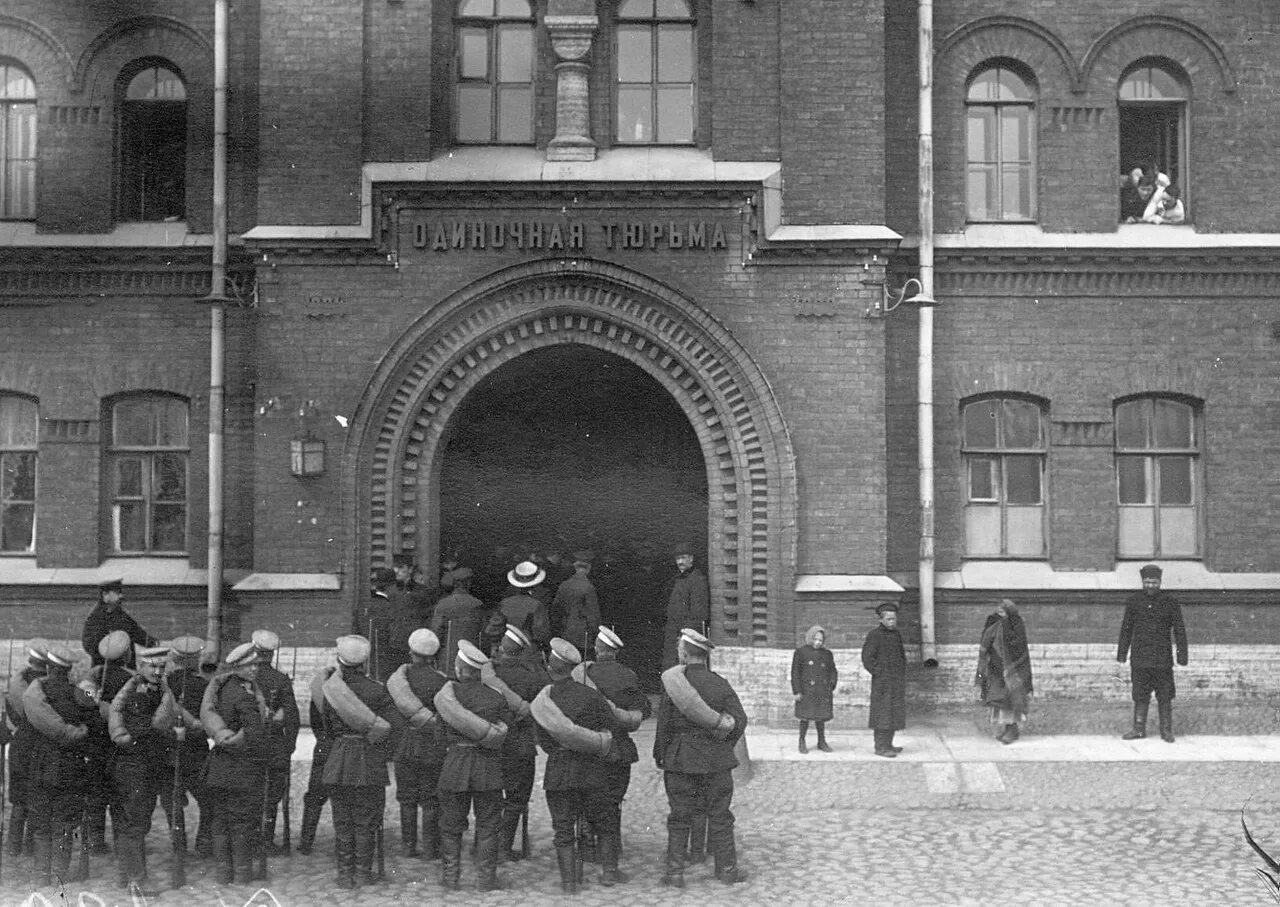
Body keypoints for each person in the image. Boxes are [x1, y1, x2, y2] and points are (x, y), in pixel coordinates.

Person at [653, 627, 749, 888]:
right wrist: (724, 744)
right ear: (705, 655)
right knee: (720, 815)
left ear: (684, 653)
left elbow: (664, 726)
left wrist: (661, 755)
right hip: (716, 761)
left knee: (679, 816)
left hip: (680, 760)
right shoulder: (720, 683)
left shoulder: (674, 685)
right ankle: (727, 870)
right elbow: (740, 720)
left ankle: (674, 874)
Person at [531, 638, 622, 893]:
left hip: (559, 770)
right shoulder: (591, 696)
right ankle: (608, 873)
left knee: (563, 829)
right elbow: (611, 727)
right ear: (572, 668)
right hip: (592, 770)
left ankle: (569, 883)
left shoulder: (544, 701)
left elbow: (544, 741)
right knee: (603, 822)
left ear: (550, 666)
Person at [317, 634, 404, 889]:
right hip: (369, 759)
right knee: (367, 821)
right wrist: (382, 753)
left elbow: (327, 729)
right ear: (365, 663)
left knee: (342, 820)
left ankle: (345, 874)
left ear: (340, 662)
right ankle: (364, 873)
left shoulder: (331, 691)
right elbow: (396, 727)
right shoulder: (377, 690)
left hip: (339, 759)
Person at [433, 639, 511, 891]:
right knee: (489, 825)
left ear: (459, 669)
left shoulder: (449, 697)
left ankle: (450, 878)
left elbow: (439, 738)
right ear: (479, 671)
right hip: (488, 769)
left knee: (450, 826)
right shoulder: (496, 698)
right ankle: (486, 880)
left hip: (455, 766)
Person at [571, 626, 650, 864]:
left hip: (589, 746)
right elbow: (643, 709)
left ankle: (586, 847)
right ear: (615, 652)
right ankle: (611, 848)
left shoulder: (584, 674)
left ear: (597, 649)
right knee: (613, 800)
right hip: (617, 748)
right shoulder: (628, 675)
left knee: (586, 799)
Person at [23, 646, 100, 888]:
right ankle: (58, 875)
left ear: (48, 667)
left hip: (41, 766)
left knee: (41, 824)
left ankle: (40, 876)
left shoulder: (36, 693)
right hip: (71, 767)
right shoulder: (80, 695)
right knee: (64, 824)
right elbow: (95, 727)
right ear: (69, 670)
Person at [109, 644, 179, 895]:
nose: (158, 671)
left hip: (140, 765)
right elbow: (143, 731)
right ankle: (137, 880)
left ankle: (124, 875)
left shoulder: (148, 690)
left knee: (133, 822)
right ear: (140, 666)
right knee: (135, 824)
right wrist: (169, 733)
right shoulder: (139, 695)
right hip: (135, 767)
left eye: (162, 667)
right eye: (153, 666)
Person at [200, 641, 269, 885]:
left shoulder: (222, 688)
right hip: (242, 770)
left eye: (256, 665)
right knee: (241, 823)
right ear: (238, 667)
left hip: (219, 768)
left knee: (220, 821)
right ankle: (241, 874)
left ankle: (223, 873)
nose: (255, 670)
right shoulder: (245, 697)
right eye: (250, 666)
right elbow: (255, 734)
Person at [485, 624, 550, 863]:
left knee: (490, 799)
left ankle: (487, 845)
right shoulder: (531, 676)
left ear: (501, 649)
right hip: (520, 745)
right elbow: (546, 696)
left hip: (491, 745)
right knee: (516, 799)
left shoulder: (489, 675)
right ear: (522, 652)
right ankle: (504, 847)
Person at [388, 628, 448, 860]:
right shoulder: (442, 681)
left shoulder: (398, 681)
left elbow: (392, 715)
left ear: (411, 651)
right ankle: (431, 847)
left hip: (405, 743)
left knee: (406, 797)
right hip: (432, 745)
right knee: (431, 798)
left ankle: (408, 846)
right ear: (433, 655)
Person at [1117, 564, 1189, 743]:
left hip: (1162, 659)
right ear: (1143, 582)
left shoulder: (1170, 602)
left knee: (1165, 695)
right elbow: (1126, 628)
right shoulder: (1134, 602)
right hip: (1140, 659)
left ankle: (1166, 731)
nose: (1150, 585)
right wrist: (1122, 653)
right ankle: (1138, 729)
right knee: (1140, 694)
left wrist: (1182, 655)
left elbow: (1179, 630)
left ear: (1160, 582)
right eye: (1147, 582)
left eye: (1154, 582)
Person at [250, 629, 300, 856]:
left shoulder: (243, 677)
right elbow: (292, 718)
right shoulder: (280, 679)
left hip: (249, 746)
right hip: (275, 746)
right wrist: (289, 746)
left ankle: (248, 840)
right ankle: (267, 842)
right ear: (272, 654)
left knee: (250, 793)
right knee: (271, 797)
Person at [163, 636, 213, 858]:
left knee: (171, 801)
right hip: (196, 750)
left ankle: (178, 845)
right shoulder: (205, 685)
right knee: (208, 798)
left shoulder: (164, 683)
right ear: (195, 660)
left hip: (167, 750)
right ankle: (203, 841)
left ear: (174, 658)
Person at [85, 630, 134, 855]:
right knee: (118, 795)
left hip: (95, 743)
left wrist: (98, 703)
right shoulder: (130, 679)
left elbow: (83, 699)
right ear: (125, 655)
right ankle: (121, 839)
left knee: (96, 793)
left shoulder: (93, 675)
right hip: (118, 745)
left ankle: (95, 840)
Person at [5, 642, 49, 861]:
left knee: (18, 800)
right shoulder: (47, 687)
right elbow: (84, 693)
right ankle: (31, 845)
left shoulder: (15, 685)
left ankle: (12, 846)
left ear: (30, 662)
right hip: (40, 746)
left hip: (19, 744)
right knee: (36, 798)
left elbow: (11, 717)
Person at [975, 600, 1033, 744]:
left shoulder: (1015, 627)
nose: (999, 616)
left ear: (1010, 613)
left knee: (1010, 699)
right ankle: (1006, 728)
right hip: (996, 669)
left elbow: (1018, 649)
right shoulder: (995, 626)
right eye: (998, 612)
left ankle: (1012, 729)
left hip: (1012, 670)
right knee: (998, 699)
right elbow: (987, 643)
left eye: (1003, 612)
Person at [296, 655, 337, 856]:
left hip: (323, 747)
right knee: (343, 797)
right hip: (341, 749)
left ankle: (306, 841)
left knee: (314, 797)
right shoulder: (345, 696)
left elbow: (314, 723)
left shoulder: (318, 695)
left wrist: (323, 739)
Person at [861, 602, 907, 758]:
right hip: (882, 683)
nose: (892, 622)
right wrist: (878, 672)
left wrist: (901, 673)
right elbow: (867, 658)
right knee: (882, 715)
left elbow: (901, 656)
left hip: (896, 683)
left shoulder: (897, 635)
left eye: (894, 619)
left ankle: (889, 744)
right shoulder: (875, 635)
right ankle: (880, 747)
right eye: (889, 619)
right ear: (881, 620)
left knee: (894, 714)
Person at [83, 579, 155, 668]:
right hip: (105, 670)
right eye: (117, 592)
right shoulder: (95, 618)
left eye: (121, 592)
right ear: (105, 595)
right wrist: (112, 653)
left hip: (127, 668)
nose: (121, 596)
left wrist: (151, 642)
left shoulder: (121, 615)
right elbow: (89, 645)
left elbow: (136, 632)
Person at [661, 543, 710, 670]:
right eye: (678, 559)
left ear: (691, 558)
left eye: (683, 558)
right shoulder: (677, 579)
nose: (680, 562)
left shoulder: (697, 580)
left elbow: (699, 613)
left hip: (684, 638)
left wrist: (684, 637)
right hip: (672, 635)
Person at [430, 567, 486, 675]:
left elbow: (436, 632)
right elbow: (483, 634)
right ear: (468, 583)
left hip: (447, 660)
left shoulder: (444, 604)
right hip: (471, 660)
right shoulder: (477, 605)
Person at [791, 625, 838, 754]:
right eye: (815, 639)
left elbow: (833, 671)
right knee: (805, 718)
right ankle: (802, 741)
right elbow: (795, 673)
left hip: (822, 691)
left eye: (820, 640)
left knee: (820, 718)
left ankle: (821, 741)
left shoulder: (827, 654)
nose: (817, 643)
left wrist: (831, 685)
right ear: (810, 638)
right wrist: (797, 691)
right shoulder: (801, 652)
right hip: (807, 691)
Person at [555, 552, 601, 657]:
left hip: (566, 630)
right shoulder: (589, 588)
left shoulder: (564, 585)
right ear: (589, 568)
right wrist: (596, 633)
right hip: (583, 634)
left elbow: (556, 609)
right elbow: (593, 615)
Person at [500, 561, 552, 649]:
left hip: (507, 644)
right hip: (528, 646)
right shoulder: (537, 604)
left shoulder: (505, 601)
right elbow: (541, 631)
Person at [360, 567, 398, 680]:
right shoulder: (390, 608)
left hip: (362, 662)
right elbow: (394, 638)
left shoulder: (362, 606)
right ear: (391, 587)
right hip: (384, 663)